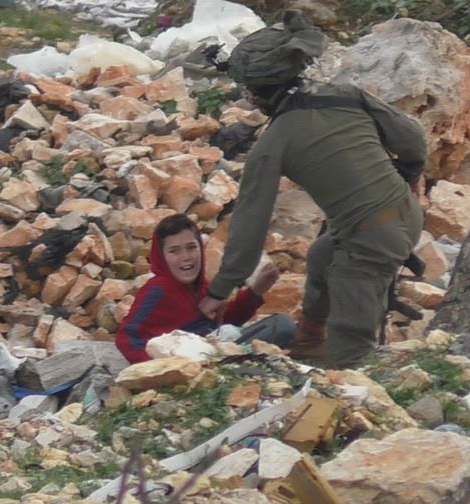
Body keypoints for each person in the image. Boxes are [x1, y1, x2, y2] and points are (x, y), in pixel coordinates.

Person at [197, 10, 427, 369]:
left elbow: (249, 225)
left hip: (369, 243)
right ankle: (309, 342)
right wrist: (406, 178)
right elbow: (414, 142)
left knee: (352, 349)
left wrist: (219, 291)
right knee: (322, 255)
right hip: (406, 215)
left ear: (260, 91)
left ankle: (352, 383)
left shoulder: (273, 142)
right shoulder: (345, 95)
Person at [116, 214, 292, 363]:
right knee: (282, 327)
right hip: (188, 364)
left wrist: (256, 291)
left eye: (191, 247)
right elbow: (126, 336)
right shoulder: (158, 289)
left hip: (215, 352)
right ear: (161, 257)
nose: (186, 257)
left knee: (281, 323)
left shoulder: (201, 286)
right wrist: (155, 366)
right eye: (174, 251)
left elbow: (223, 323)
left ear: (201, 248)